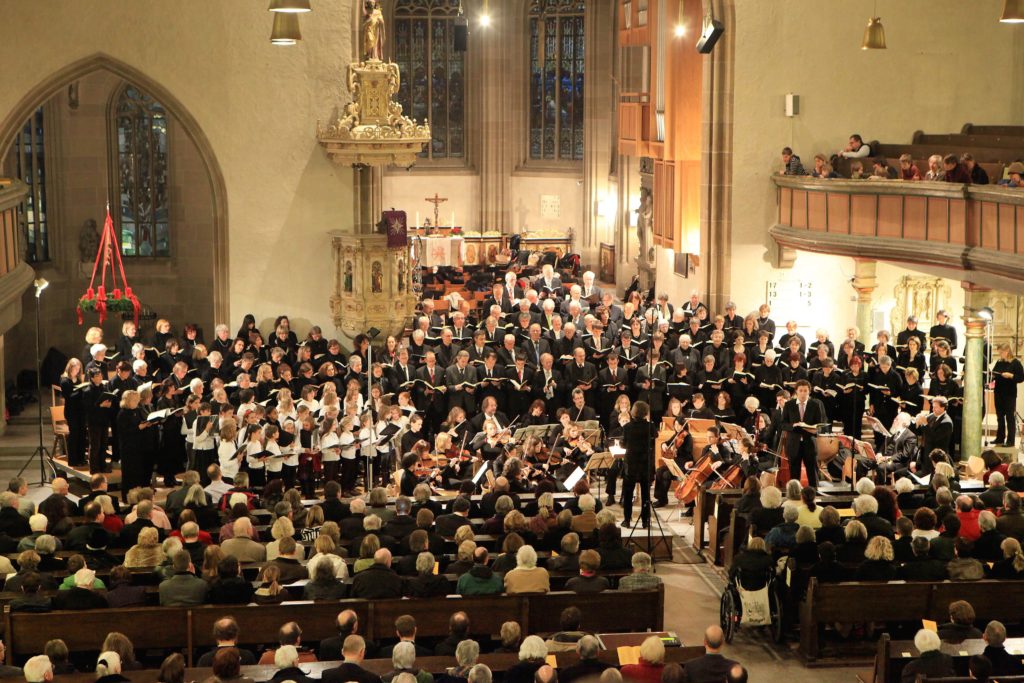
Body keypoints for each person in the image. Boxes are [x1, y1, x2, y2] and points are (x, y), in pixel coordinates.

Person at [780, 381, 826, 487]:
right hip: (793, 444)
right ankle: (794, 497)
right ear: (796, 391)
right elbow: (783, 424)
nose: (803, 393)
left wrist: (810, 427)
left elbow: (820, 425)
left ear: (809, 392)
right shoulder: (789, 405)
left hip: (809, 442)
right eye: (800, 390)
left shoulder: (815, 405)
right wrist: (793, 425)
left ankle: (815, 497)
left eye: (805, 391)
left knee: (812, 473)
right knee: (794, 475)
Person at [621, 400, 654, 528]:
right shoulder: (650, 426)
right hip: (645, 463)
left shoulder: (627, 427)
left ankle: (627, 520)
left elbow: (623, 444)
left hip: (631, 463)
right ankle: (645, 521)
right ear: (646, 413)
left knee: (628, 492)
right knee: (646, 493)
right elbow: (654, 439)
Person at [991, 343, 1023, 446]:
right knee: (999, 416)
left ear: (1007, 351)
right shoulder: (999, 362)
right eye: (999, 352)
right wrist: (992, 376)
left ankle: (1010, 441)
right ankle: (1000, 438)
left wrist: (1011, 375)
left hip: (1009, 394)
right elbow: (994, 374)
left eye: (1001, 352)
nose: (1000, 355)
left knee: (1009, 417)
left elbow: (1021, 378)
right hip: (998, 392)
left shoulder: (1015, 363)